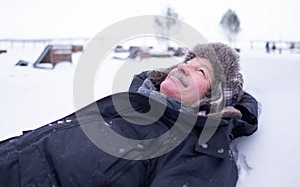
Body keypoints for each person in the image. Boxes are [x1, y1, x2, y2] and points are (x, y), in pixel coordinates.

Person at [0, 43, 258, 187]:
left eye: (201, 71)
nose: (183, 66)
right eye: (186, 62)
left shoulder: (199, 152)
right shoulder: (139, 106)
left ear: (214, 98)